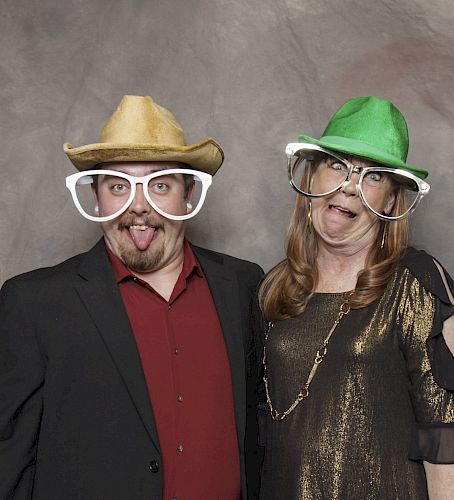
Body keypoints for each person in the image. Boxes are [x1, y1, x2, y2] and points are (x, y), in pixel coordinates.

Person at [0, 95, 263, 500]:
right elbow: (10, 462)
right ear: (96, 198)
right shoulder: (34, 304)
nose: (138, 206)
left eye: (160, 185)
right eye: (118, 186)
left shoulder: (243, 287)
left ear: (188, 193)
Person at [257, 96, 454, 500]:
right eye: (337, 165)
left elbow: (444, 450)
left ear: (392, 200)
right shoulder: (278, 285)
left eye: (373, 176)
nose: (349, 187)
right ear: (311, 176)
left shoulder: (416, 284)